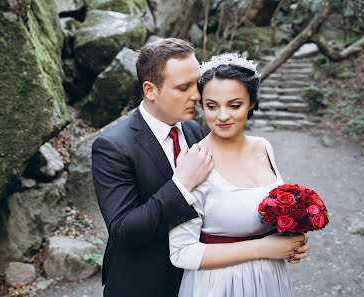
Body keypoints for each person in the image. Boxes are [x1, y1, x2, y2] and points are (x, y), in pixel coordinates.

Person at [169, 53, 310, 297]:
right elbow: (182, 252)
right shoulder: (195, 160)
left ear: (251, 103)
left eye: (234, 105)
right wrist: (264, 248)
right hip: (219, 285)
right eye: (212, 106)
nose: (222, 116)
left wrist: (290, 240)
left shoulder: (264, 147)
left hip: (270, 280)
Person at [91, 38, 214, 297]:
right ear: (150, 90)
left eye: (197, 84)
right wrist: (182, 185)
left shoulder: (192, 129)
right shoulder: (112, 146)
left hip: (194, 278)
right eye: (183, 88)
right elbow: (124, 229)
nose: (197, 95)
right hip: (140, 283)